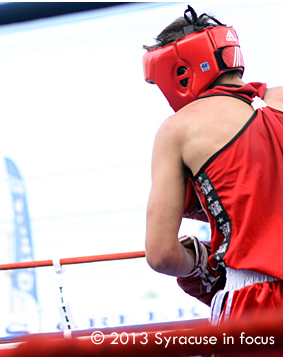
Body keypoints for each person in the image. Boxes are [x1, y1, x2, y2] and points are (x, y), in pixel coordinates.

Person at [142, 5, 283, 328]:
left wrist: (202, 262)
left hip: (256, 299)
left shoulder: (179, 128)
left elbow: (161, 254)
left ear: (179, 70)